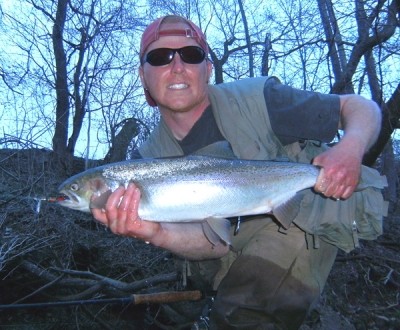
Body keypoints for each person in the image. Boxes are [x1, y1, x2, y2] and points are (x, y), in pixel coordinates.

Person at [91, 15, 387, 329]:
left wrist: (351, 147)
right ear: (143, 75)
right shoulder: (146, 160)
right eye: (160, 57)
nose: (177, 66)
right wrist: (154, 232)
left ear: (207, 69)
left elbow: (357, 107)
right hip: (226, 247)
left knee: (246, 312)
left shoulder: (260, 100)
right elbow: (212, 243)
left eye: (191, 55)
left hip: (303, 216)